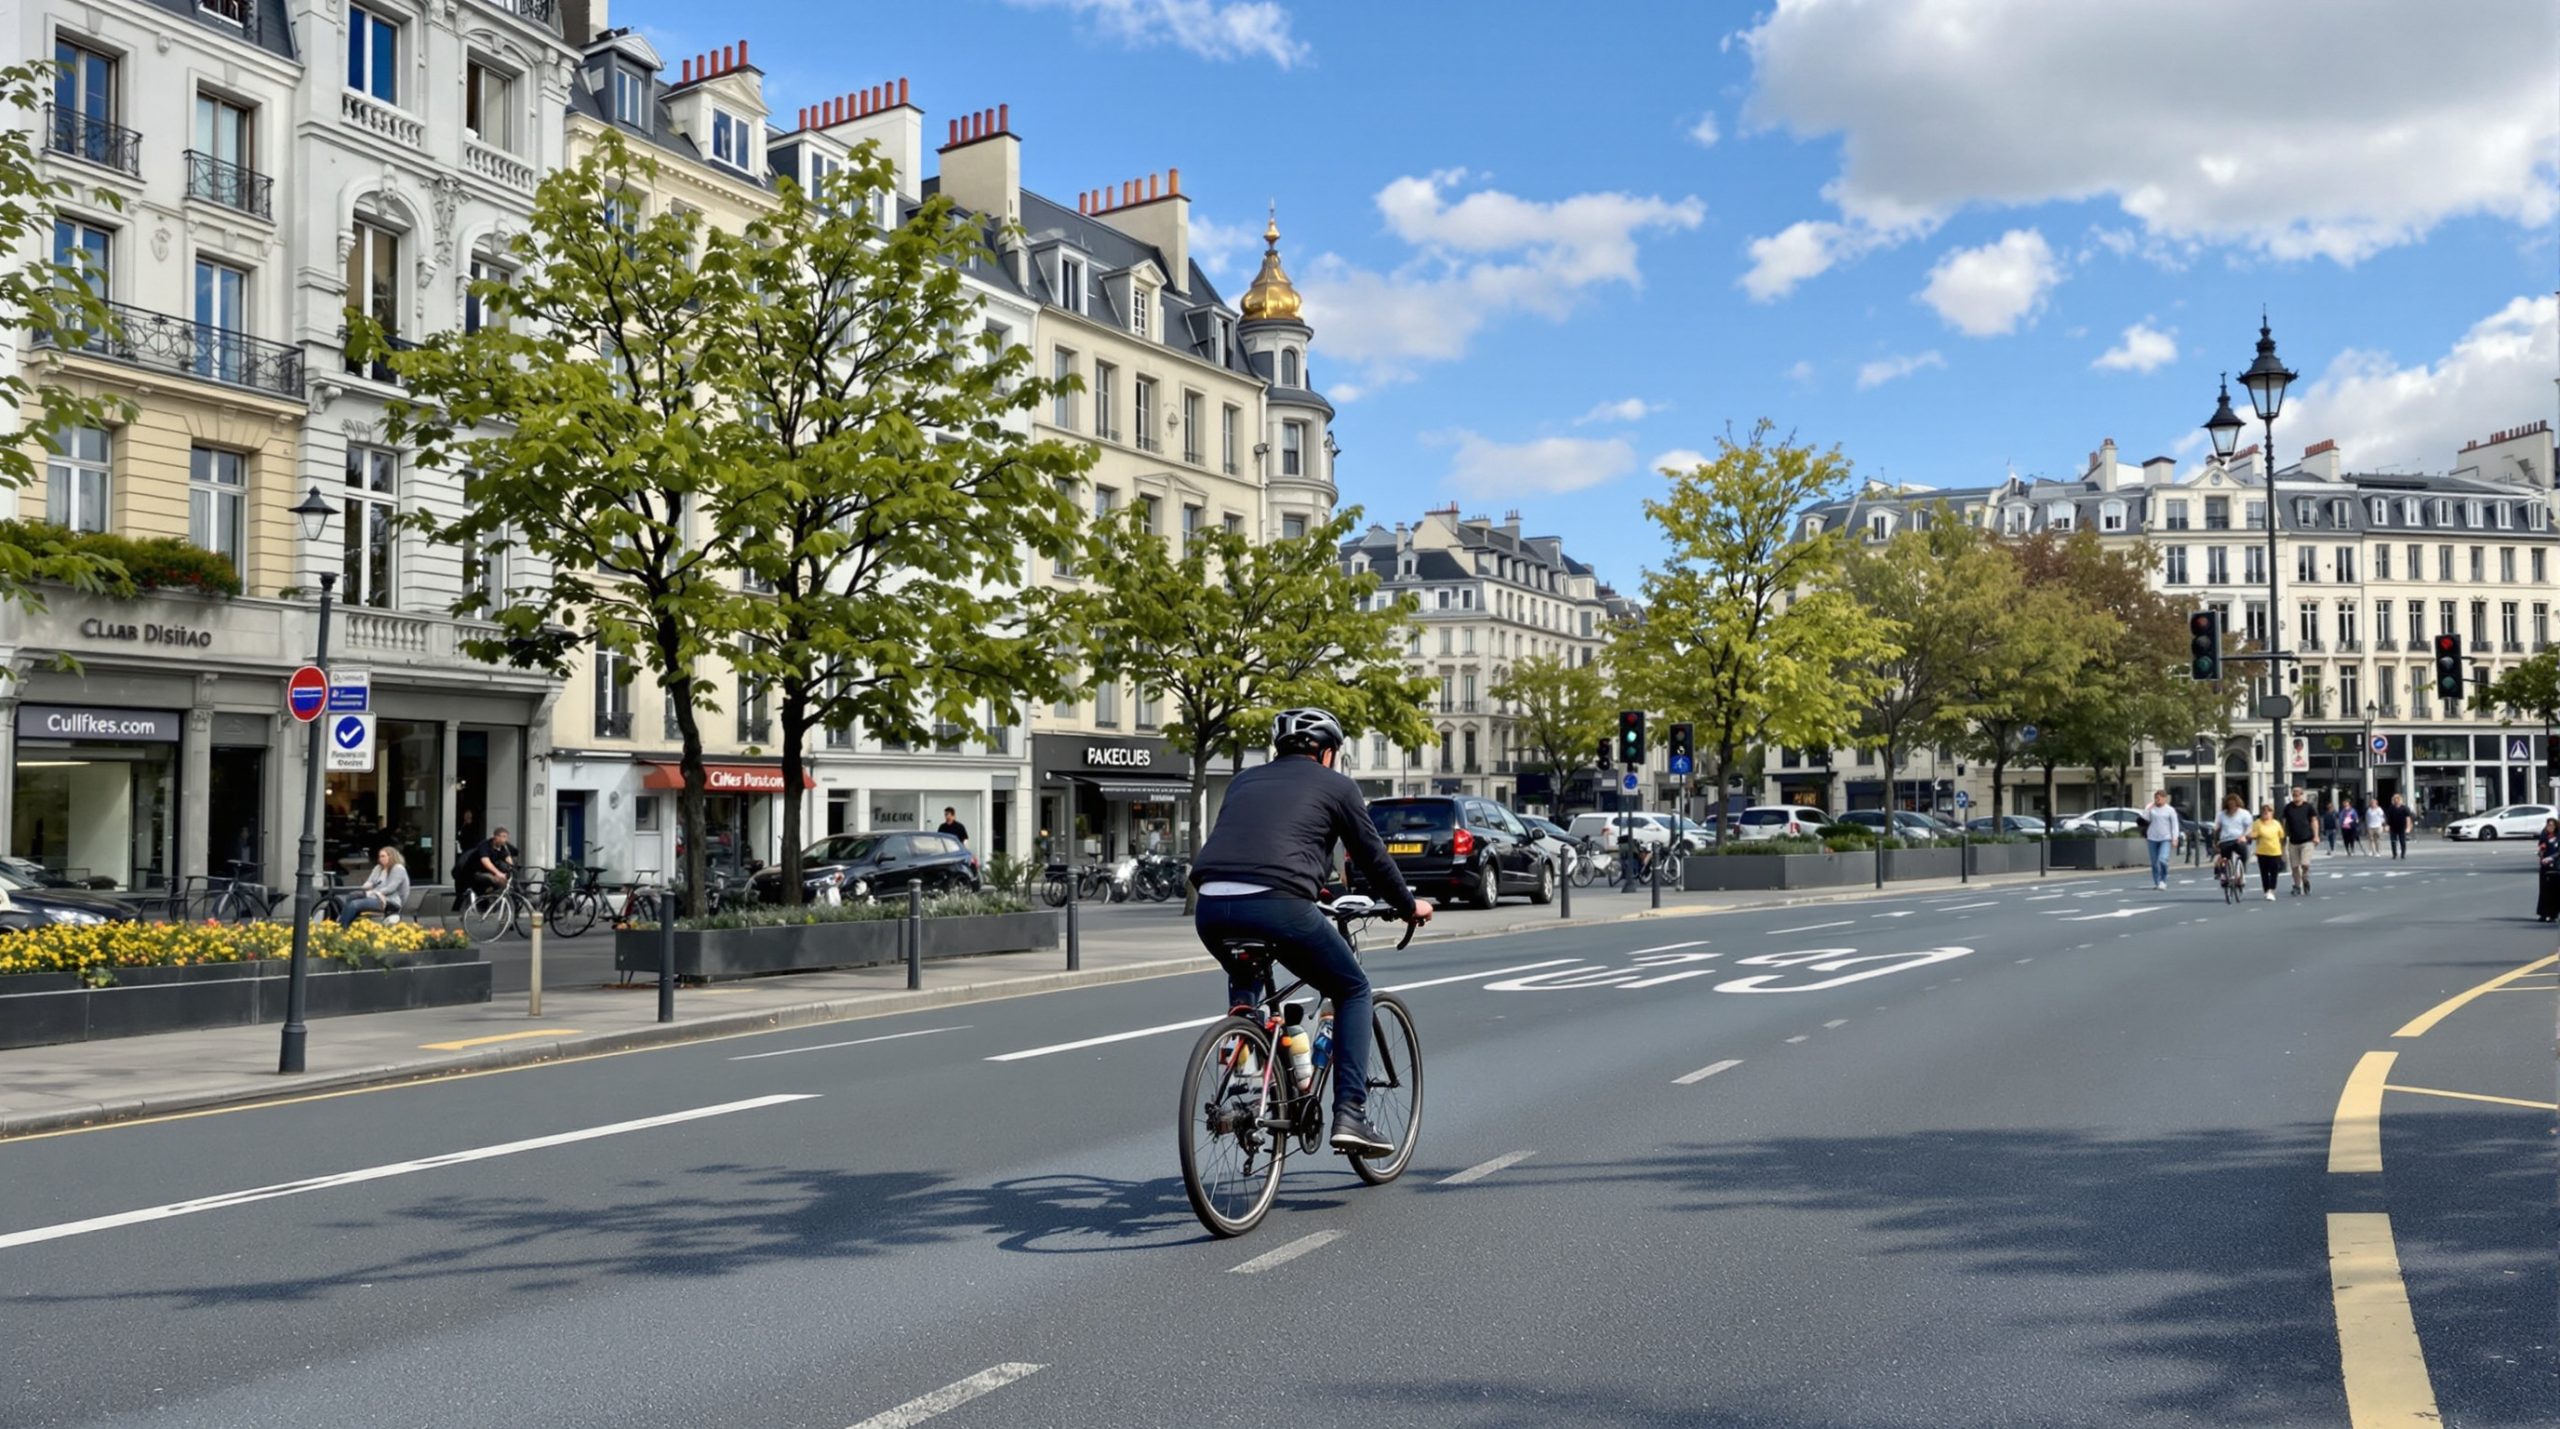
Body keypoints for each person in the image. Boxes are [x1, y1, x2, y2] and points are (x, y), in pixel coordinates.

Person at [1187, 707, 1433, 1158]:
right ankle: (1352, 1115)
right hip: (1278, 905)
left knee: (1248, 973)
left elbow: (1262, 842)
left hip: (1211, 908)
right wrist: (1407, 905)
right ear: (1325, 753)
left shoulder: (1244, 781)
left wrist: (1317, 884)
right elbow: (1372, 855)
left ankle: (1244, 1038)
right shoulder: (1337, 786)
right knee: (1353, 989)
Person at [338, 846, 410, 926]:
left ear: (391, 856)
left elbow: (391, 888)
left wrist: (375, 893)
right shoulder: (378, 868)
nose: (380, 858)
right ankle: (346, 922)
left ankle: (342, 927)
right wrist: (365, 887)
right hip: (376, 897)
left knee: (354, 904)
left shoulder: (398, 869)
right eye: (379, 856)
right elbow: (370, 882)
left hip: (389, 902)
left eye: (383, 856)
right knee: (352, 895)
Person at [457, 827, 516, 897]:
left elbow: (508, 859)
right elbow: (486, 862)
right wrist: (498, 873)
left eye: (506, 837)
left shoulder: (502, 847)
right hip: (475, 872)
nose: (505, 840)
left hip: (487, 872)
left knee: (508, 882)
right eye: (503, 837)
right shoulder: (485, 845)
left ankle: (491, 896)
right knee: (499, 881)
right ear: (496, 836)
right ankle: (492, 899)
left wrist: (512, 868)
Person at [2281, 788, 2319, 895]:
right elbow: (2284, 822)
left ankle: (2305, 878)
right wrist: (2283, 835)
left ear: (2302, 795)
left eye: (2298, 795)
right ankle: (2297, 885)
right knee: (2294, 866)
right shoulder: (2288, 808)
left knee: (2305, 864)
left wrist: (2316, 836)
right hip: (2293, 840)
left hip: (2307, 840)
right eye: (2294, 795)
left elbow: (2314, 821)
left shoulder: (2308, 807)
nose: (2296, 797)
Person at [2141, 790, 2180, 891]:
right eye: (2156, 798)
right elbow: (2144, 818)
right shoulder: (2152, 808)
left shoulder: (2170, 810)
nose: (2157, 800)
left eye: (2159, 798)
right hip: (2152, 837)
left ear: (2164, 798)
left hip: (2165, 838)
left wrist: (2175, 838)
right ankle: (2157, 882)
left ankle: (2163, 880)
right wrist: (2149, 807)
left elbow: (2175, 825)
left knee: (2163, 859)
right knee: (2154, 862)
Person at [2249, 801, 2288, 900]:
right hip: (2262, 852)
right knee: (2264, 873)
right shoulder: (2257, 823)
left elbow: (2282, 836)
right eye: (2264, 810)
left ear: (2272, 812)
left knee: (2274, 872)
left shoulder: (2276, 823)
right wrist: (2250, 835)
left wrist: (2283, 850)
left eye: (2269, 810)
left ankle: (2272, 889)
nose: (2266, 812)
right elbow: (2254, 834)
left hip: (2275, 851)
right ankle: (2266, 890)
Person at [2213, 793, 2252, 885]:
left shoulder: (2244, 813)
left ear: (2237, 804)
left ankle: (2241, 873)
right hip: (2225, 840)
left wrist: (2244, 836)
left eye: (2234, 804)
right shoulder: (2221, 814)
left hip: (2239, 838)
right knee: (2225, 856)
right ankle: (2224, 875)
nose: (2232, 806)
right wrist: (2215, 840)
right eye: (2229, 804)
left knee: (2243, 851)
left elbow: (2250, 827)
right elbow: (2216, 827)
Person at [2539, 817, 2560, 922]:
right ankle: (2543, 913)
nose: (2550, 827)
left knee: (2554, 891)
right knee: (2544, 890)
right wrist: (2541, 853)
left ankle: (2553, 915)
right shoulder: (2544, 836)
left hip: (2556, 867)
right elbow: (2541, 848)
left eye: (2552, 825)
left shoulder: (2558, 837)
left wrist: (2552, 858)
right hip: (2545, 867)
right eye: (2548, 825)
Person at [2384, 794, 2413, 860]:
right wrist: (2387, 825)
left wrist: (2408, 827)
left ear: (2400, 800)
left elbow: (2408, 818)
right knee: (2393, 841)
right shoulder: (2391, 808)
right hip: (2393, 827)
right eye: (2395, 800)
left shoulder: (2404, 808)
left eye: (2397, 799)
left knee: (2402, 841)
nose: (2396, 801)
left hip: (2402, 827)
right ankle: (2394, 854)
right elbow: (2388, 818)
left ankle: (2403, 854)